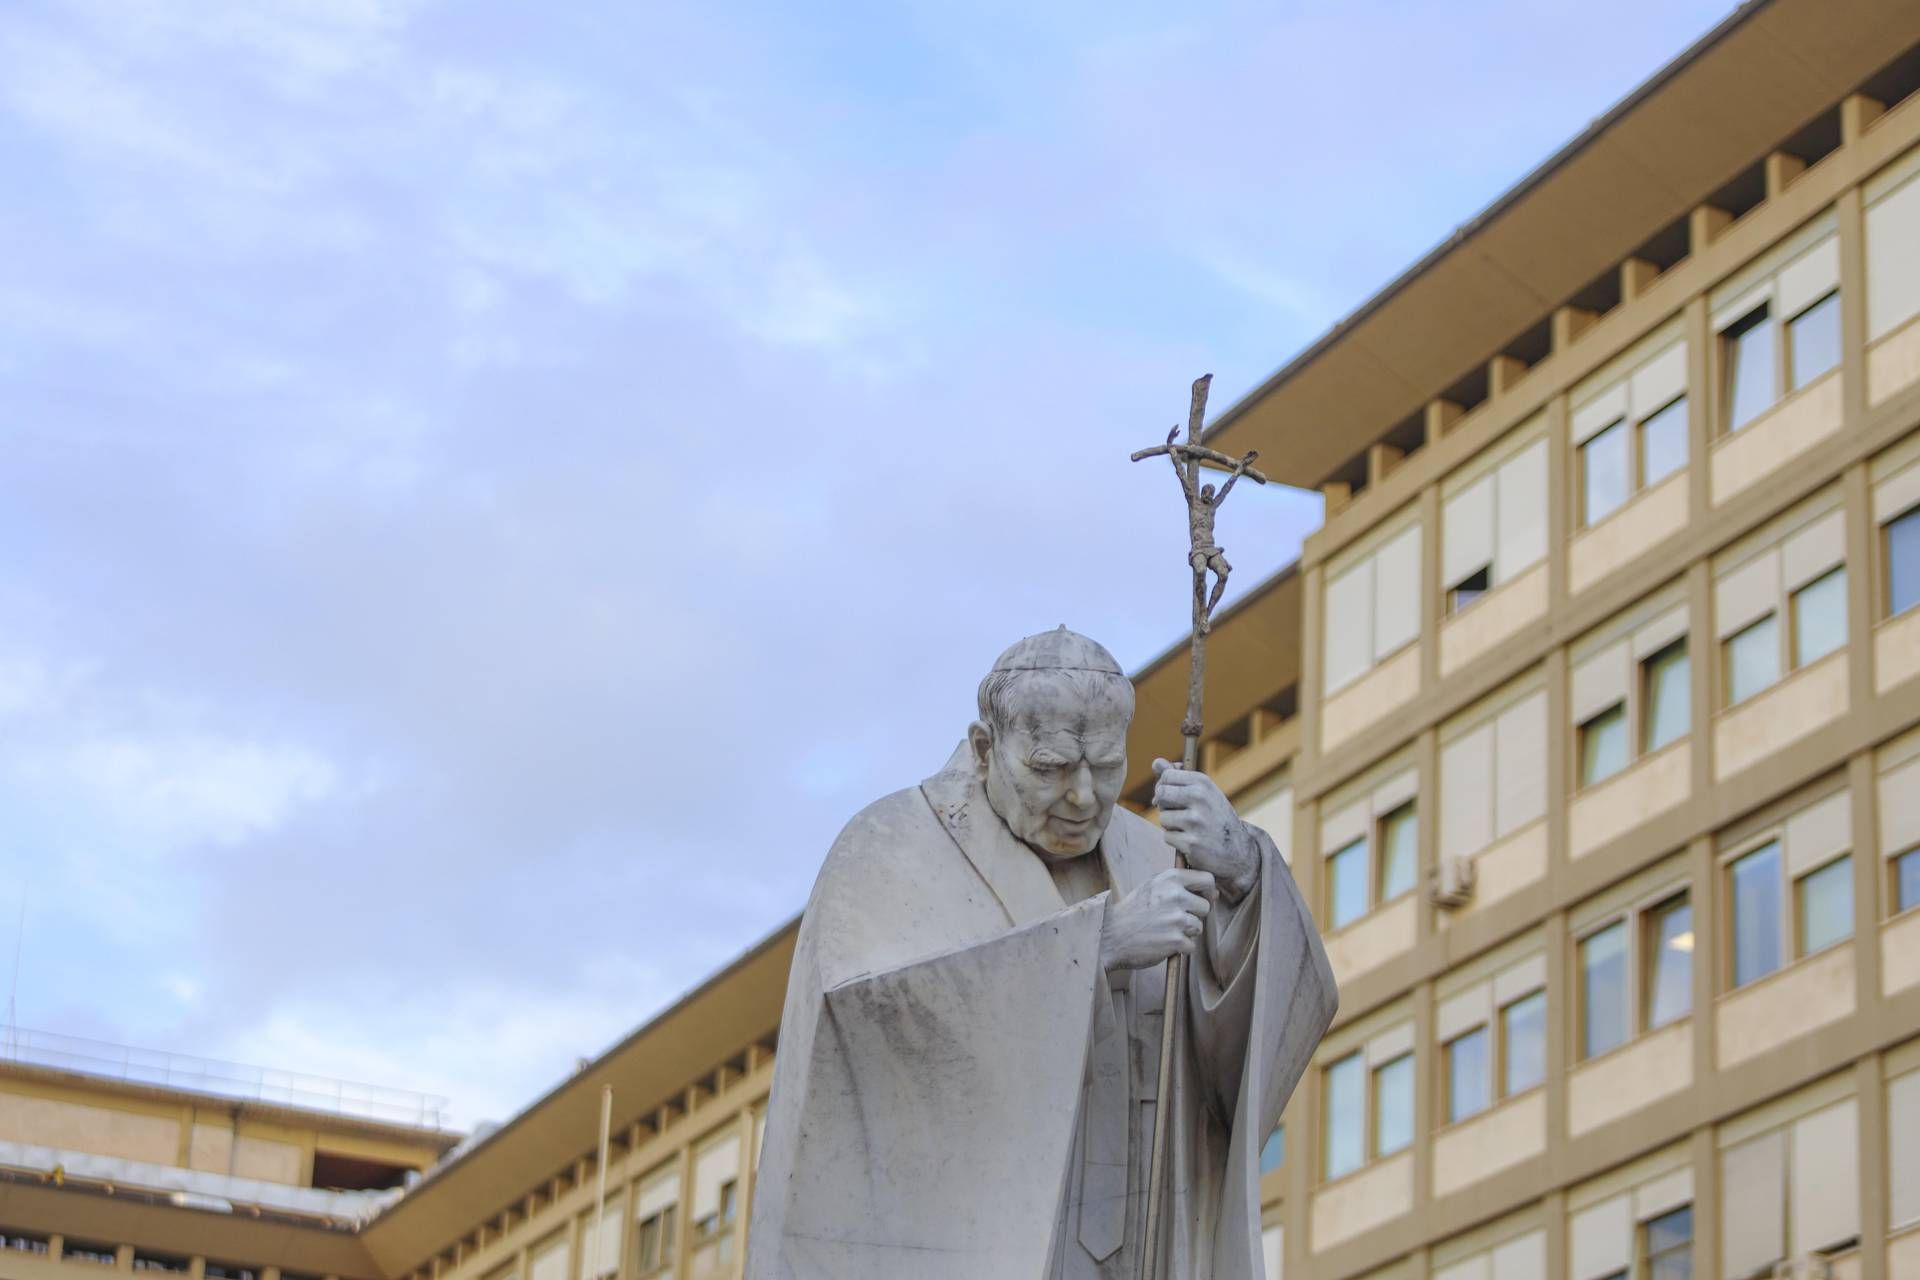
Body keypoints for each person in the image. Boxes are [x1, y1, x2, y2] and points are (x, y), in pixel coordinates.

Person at [747, 627, 1337, 1280]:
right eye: (1050, 768)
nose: (1084, 797)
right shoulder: (889, 848)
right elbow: (863, 1033)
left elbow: (1246, 1057)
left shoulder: (1158, 858)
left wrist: (1244, 880)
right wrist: (1099, 946)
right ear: (983, 748)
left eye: (1107, 766)